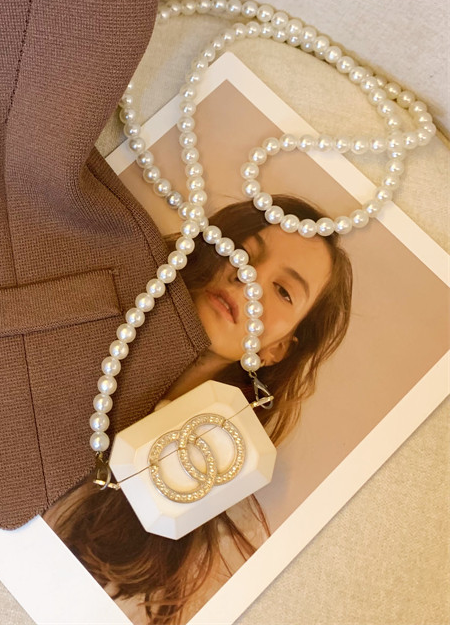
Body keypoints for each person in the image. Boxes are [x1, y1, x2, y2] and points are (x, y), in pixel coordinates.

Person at [44, 195, 354, 625]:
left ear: (278, 348)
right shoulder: (73, 318)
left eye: (283, 291)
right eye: (242, 252)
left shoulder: (216, 536)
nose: (248, 277)